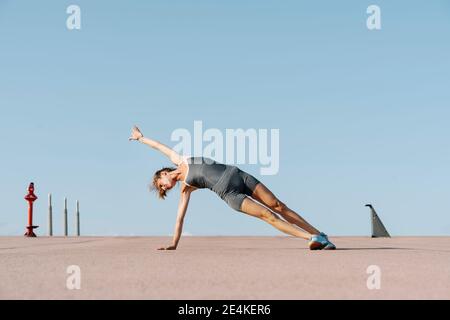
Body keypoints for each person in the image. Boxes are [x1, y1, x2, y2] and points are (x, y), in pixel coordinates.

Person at [129, 126, 336, 251]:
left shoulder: (179, 159)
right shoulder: (186, 188)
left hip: (240, 176)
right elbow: (179, 219)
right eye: (163, 188)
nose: (165, 187)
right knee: (268, 216)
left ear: (163, 173)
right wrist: (174, 243)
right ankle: (310, 239)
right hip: (232, 195)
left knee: (278, 205)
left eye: (161, 184)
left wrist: (140, 138)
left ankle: (320, 236)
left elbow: (158, 146)